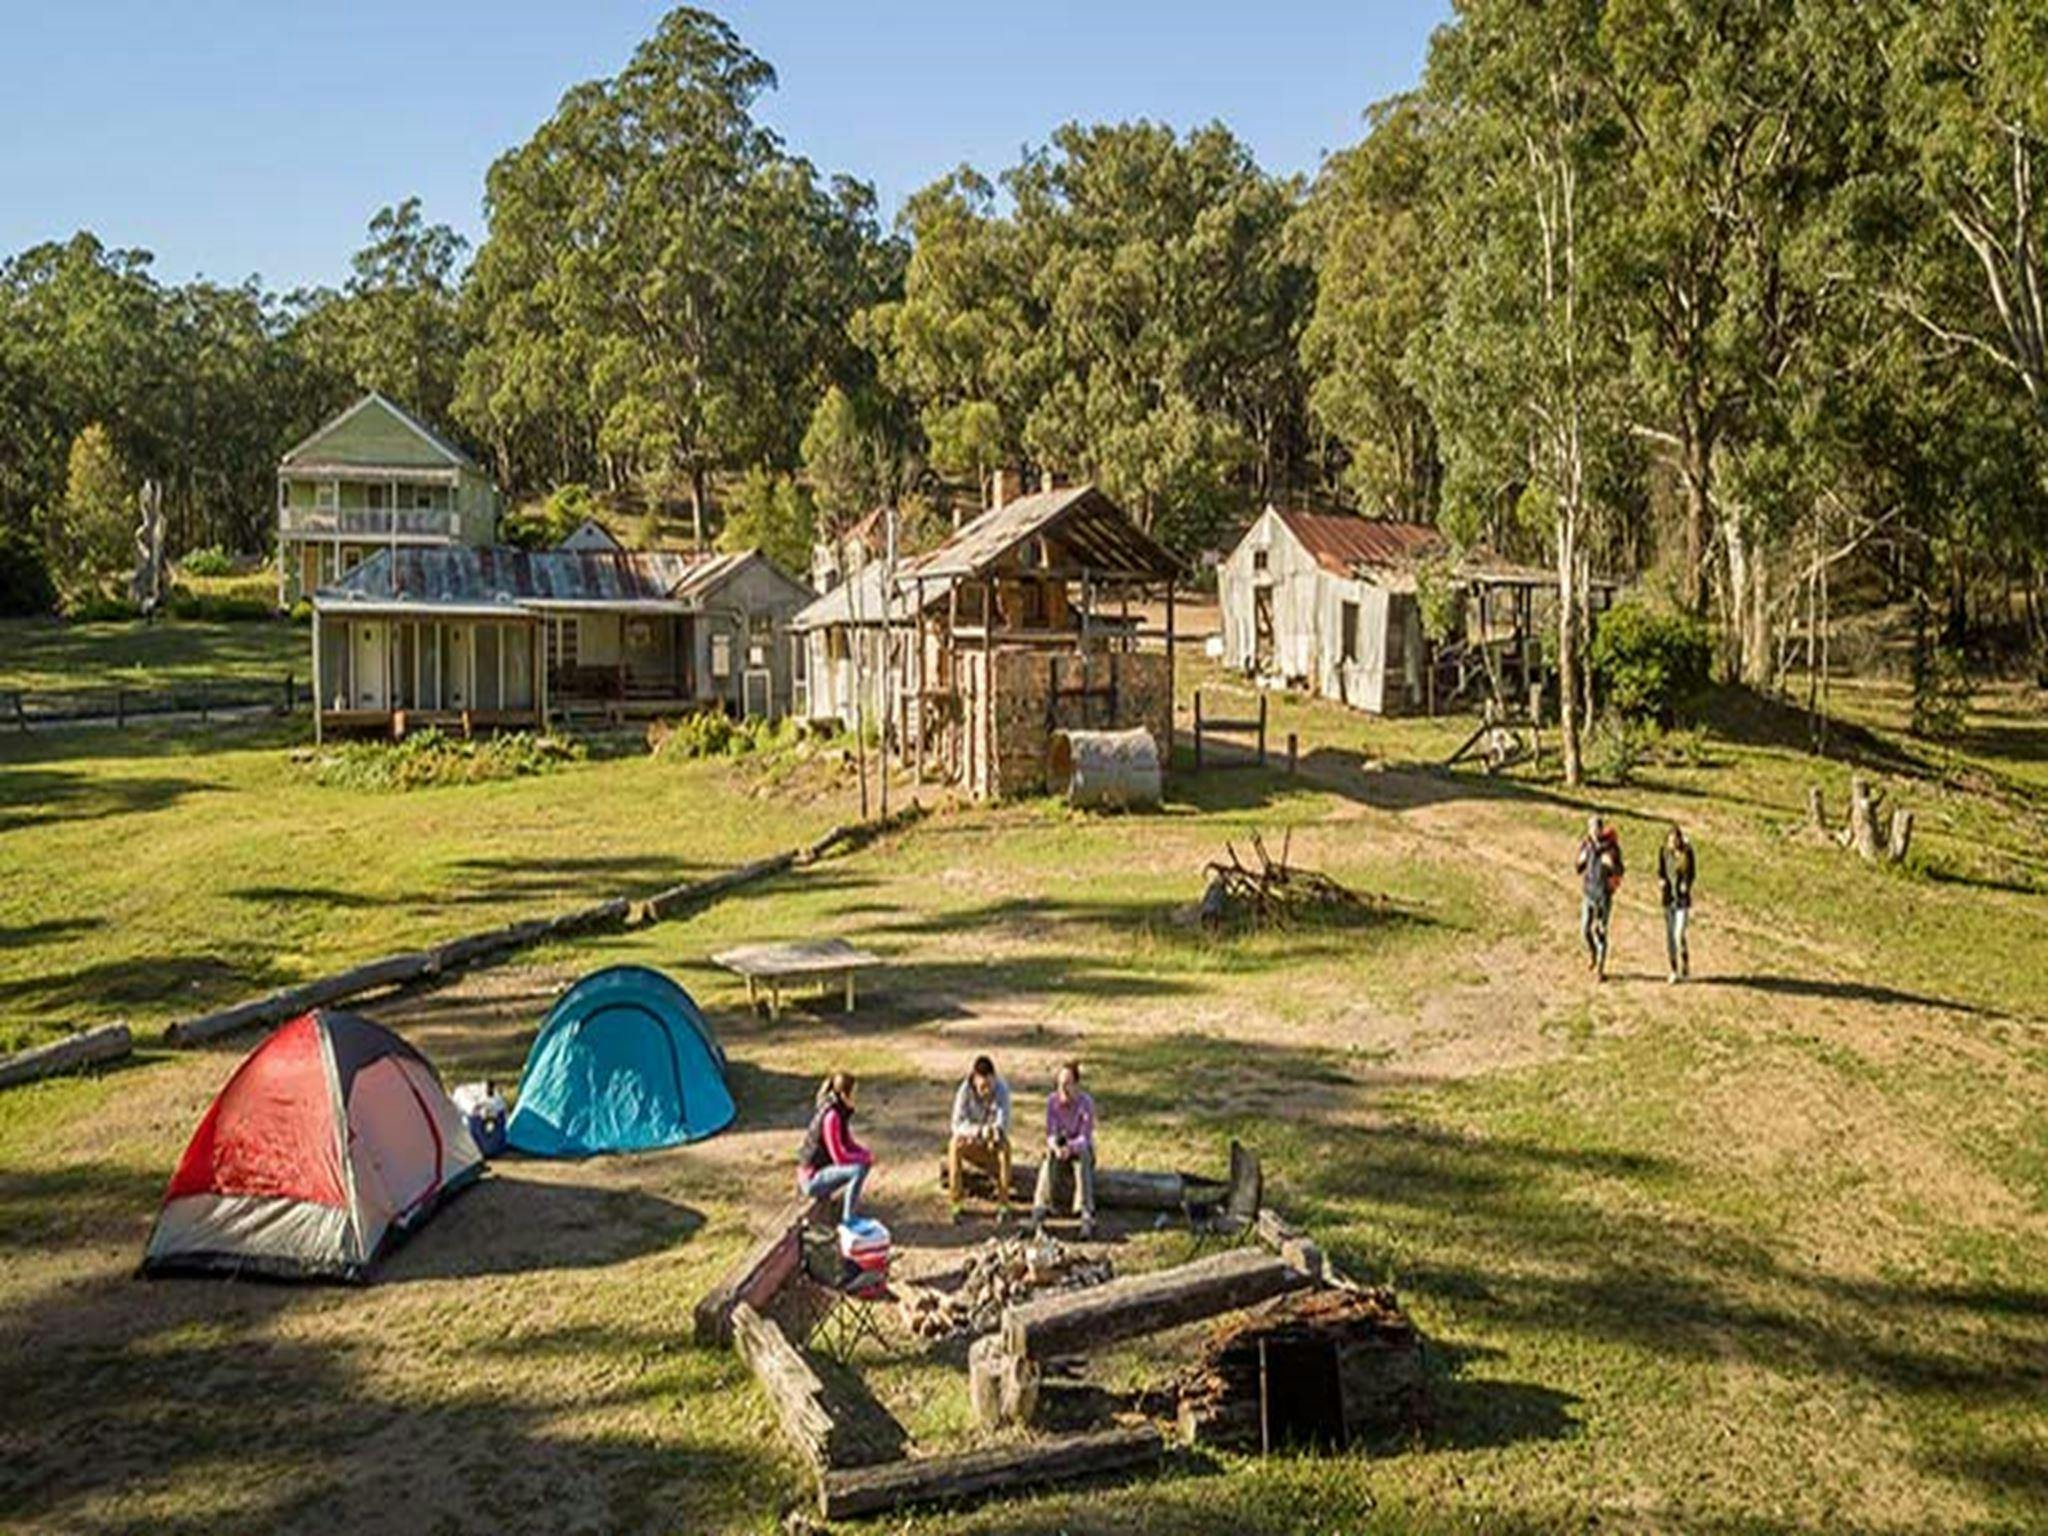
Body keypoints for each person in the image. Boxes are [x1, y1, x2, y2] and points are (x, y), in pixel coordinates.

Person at [1032, 1060, 1097, 1240]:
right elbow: (1050, 1133)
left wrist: (1071, 1148)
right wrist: (1057, 1147)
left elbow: (1085, 1137)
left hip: (1079, 1149)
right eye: (1060, 1084)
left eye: (1067, 1084)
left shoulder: (1086, 1104)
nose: (1063, 1089)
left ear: (1076, 1085)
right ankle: (1040, 1210)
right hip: (1060, 1148)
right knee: (1048, 1158)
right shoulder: (1052, 1102)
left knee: (1082, 1158)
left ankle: (1085, 1213)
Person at [796, 1070, 872, 1225]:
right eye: (854, 1093)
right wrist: (863, 1160)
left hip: (823, 1170)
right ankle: (848, 1219)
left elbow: (848, 1143)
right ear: (844, 1095)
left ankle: (848, 1212)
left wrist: (865, 1154)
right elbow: (839, 1156)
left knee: (862, 1165)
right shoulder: (832, 1117)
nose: (857, 1098)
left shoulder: (841, 1112)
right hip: (811, 1179)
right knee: (857, 1170)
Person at [948, 1054, 1013, 1220]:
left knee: (1005, 1148)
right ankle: (956, 1202)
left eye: (990, 1085)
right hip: (973, 1140)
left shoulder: (1002, 1089)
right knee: (954, 1145)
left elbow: (1004, 1122)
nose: (987, 1091)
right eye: (983, 1086)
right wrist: (977, 1132)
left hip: (993, 1143)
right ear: (975, 1079)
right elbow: (956, 1124)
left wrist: (993, 1132)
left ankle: (1004, 1204)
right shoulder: (964, 1091)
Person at [1575, 814, 1623, 981]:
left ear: (1601, 830)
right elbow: (1578, 868)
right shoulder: (1586, 845)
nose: (1594, 831)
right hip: (1588, 894)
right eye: (1591, 828)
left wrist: (1612, 866)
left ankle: (1600, 970)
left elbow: (1620, 871)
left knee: (1601, 931)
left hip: (1603, 896)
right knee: (1584, 931)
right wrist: (1580, 861)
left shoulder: (1612, 848)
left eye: (1597, 828)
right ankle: (1593, 953)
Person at [1658, 823, 1696, 983]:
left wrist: (1686, 884)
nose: (1672, 844)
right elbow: (1660, 870)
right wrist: (1661, 880)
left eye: (1675, 841)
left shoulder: (1687, 855)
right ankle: (1673, 969)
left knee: (1678, 933)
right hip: (1668, 900)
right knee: (1670, 938)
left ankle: (1685, 960)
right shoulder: (1664, 854)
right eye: (1670, 841)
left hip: (1682, 901)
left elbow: (1693, 873)